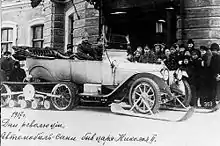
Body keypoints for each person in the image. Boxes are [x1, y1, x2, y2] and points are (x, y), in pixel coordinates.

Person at [209, 43, 220, 107]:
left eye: (215, 50)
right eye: (212, 50)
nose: (213, 51)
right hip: (213, 76)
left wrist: (218, 75)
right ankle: (213, 103)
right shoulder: (212, 57)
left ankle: (216, 102)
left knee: (216, 90)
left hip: (217, 75)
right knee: (213, 90)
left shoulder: (218, 57)